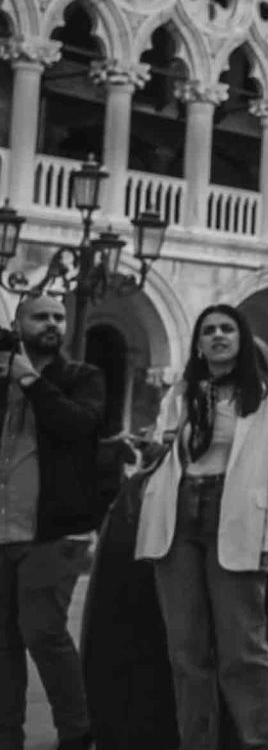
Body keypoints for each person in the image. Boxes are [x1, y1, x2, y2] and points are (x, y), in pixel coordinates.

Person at [135, 304, 268, 750]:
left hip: (237, 520)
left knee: (243, 650)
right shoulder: (182, 393)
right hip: (178, 518)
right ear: (199, 342)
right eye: (209, 330)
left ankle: (261, 741)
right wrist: (152, 447)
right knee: (186, 653)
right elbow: (161, 454)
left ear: (242, 338)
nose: (218, 336)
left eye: (227, 329)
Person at [0, 294, 104, 750]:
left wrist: (31, 382)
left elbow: (78, 427)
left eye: (59, 317)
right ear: (19, 324)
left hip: (55, 533)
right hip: (3, 530)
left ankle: (77, 732)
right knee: (3, 644)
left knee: (42, 631)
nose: (52, 324)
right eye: (40, 316)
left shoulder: (84, 378)